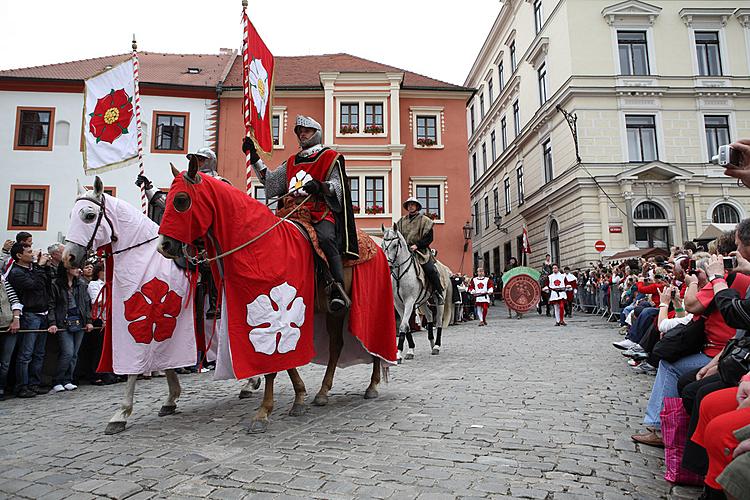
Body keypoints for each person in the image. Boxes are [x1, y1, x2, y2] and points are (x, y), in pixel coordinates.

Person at [245, 115, 358, 313]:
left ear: (317, 133)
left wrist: (320, 186)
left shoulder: (330, 157)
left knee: (326, 238)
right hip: (290, 212)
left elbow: (339, 187)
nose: (302, 134)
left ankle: (337, 289)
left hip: (318, 211)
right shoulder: (291, 161)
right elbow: (271, 184)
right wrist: (254, 156)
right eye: (300, 131)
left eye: (307, 130)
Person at [7, 243, 50, 398]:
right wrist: (39, 267)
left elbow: (45, 284)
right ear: (19, 255)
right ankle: (21, 386)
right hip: (29, 314)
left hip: (42, 313)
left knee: (39, 353)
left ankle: (34, 383)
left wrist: (42, 267)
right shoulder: (16, 272)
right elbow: (33, 285)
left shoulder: (33, 270)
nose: (32, 254)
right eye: (29, 251)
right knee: (26, 354)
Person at [48, 263, 93, 392]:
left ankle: (68, 379)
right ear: (66, 269)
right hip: (63, 321)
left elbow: (86, 303)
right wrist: (52, 322)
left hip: (79, 320)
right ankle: (58, 380)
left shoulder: (81, 284)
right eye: (74, 267)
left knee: (74, 354)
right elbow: (51, 304)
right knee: (67, 352)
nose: (78, 270)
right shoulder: (55, 284)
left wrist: (88, 321)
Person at [396, 197, 444, 304]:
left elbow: (429, 238)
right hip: (405, 251)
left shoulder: (426, 221)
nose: (410, 206)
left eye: (413, 204)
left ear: (417, 206)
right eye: (409, 205)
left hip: (421, 252)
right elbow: (397, 236)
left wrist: (417, 245)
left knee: (431, 270)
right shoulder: (401, 221)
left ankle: (438, 292)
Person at [0, 278, 22, 400]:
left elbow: (15, 301)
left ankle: (1, 387)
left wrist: (16, 319)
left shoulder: (4, 282)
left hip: (8, 326)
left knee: (5, 362)